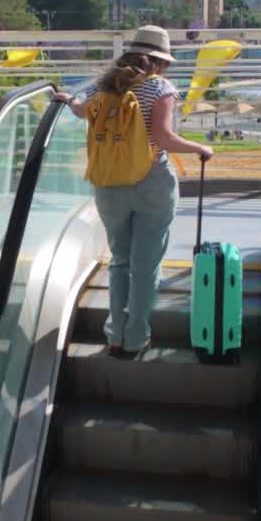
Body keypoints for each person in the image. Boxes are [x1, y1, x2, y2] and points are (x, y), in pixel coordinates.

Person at [54, 26, 214, 358]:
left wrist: (68, 99)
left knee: (120, 260)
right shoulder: (160, 87)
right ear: (161, 60)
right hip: (151, 182)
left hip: (109, 183)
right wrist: (201, 147)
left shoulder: (105, 85)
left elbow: (82, 111)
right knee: (145, 264)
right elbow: (165, 138)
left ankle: (114, 336)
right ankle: (136, 338)